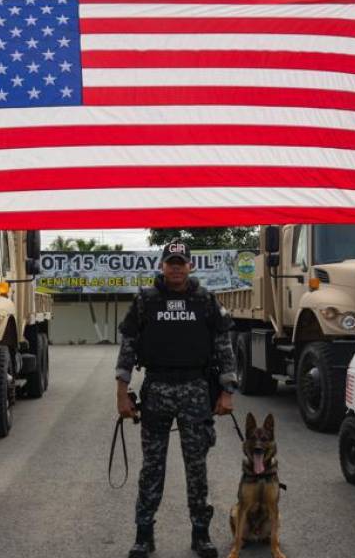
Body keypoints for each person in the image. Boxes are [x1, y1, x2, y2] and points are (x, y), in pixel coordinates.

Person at [116, 239, 238, 558]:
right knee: (152, 468)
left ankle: (201, 534)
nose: (175, 267)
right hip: (156, 390)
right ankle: (144, 535)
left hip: (196, 390)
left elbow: (224, 348)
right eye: (170, 261)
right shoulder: (145, 301)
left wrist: (227, 391)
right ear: (162, 266)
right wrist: (121, 395)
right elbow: (128, 349)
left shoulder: (206, 300)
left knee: (196, 468)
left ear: (189, 266)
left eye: (180, 262)